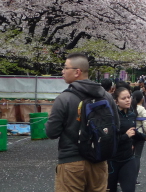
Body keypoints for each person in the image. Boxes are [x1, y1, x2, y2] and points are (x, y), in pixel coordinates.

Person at [45, 53, 120, 192]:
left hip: (71, 162)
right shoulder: (106, 97)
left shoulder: (64, 98)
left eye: (65, 67)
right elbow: (116, 126)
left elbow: (51, 132)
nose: (62, 71)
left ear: (77, 72)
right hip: (99, 161)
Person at [108, 87, 146, 192]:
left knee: (129, 189)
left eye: (129, 97)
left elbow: (133, 131)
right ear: (116, 101)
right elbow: (109, 139)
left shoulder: (132, 114)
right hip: (112, 160)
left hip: (128, 158)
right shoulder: (112, 117)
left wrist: (144, 137)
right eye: (124, 98)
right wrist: (125, 136)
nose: (128, 100)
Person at [132, 90, 146, 186]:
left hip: (129, 134)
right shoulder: (142, 109)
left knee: (127, 156)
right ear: (142, 99)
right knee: (137, 156)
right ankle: (134, 178)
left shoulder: (129, 108)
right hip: (139, 134)